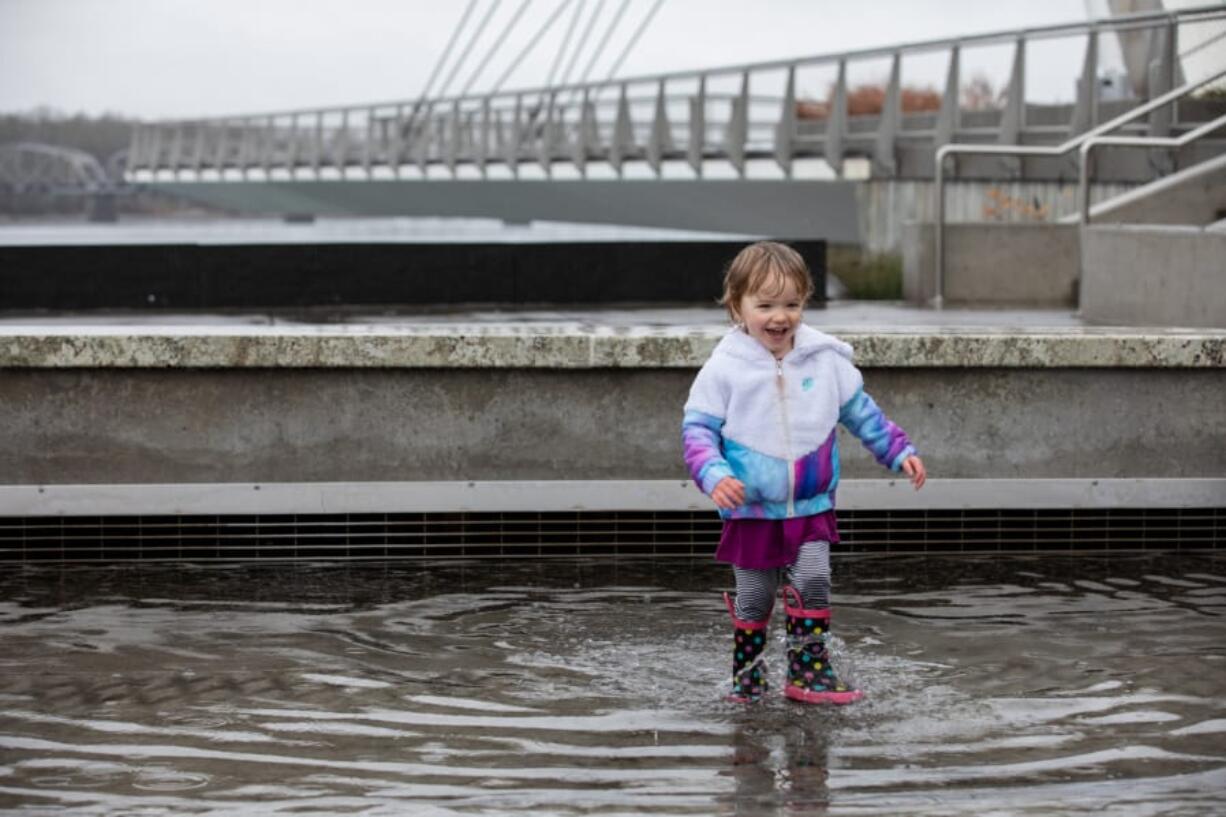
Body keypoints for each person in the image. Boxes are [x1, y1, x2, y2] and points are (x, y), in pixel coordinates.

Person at [681, 241, 926, 705]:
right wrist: (713, 474)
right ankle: (748, 672)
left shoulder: (826, 362)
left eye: (792, 304)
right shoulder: (724, 370)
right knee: (755, 595)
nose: (780, 317)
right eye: (766, 305)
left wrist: (898, 450)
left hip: (810, 504)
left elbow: (862, 414)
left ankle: (809, 671)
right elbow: (697, 431)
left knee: (813, 577)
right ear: (738, 306)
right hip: (750, 508)